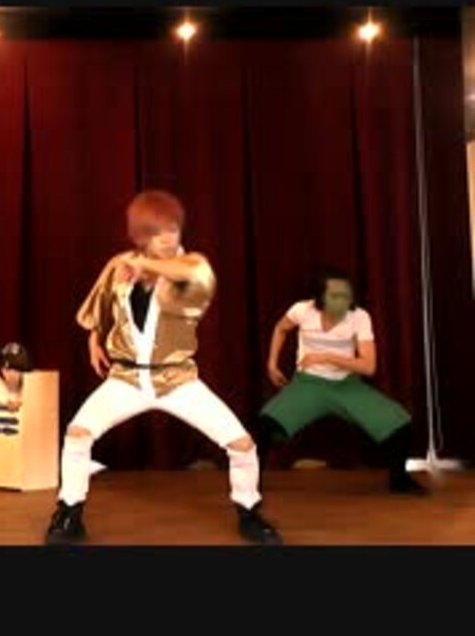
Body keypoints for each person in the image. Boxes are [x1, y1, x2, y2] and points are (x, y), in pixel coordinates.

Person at [44, 190, 281, 546]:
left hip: (176, 379)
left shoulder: (191, 267)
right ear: (141, 236)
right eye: (157, 232)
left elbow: (195, 274)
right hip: (127, 378)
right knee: (78, 434)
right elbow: (103, 304)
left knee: (242, 443)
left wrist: (145, 265)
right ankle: (68, 513)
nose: (168, 238)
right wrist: (95, 338)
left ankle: (249, 511)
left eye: (173, 229)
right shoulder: (120, 265)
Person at [256, 268, 428, 495]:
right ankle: (250, 484)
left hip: (346, 385)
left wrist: (326, 357)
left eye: (346, 295)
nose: (342, 301)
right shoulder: (302, 310)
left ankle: (399, 480)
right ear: (320, 297)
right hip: (308, 384)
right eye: (335, 295)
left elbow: (368, 366)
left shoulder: (359, 317)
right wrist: (271, 364)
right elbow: (281, 328)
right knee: (264, 426)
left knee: (401, 425)